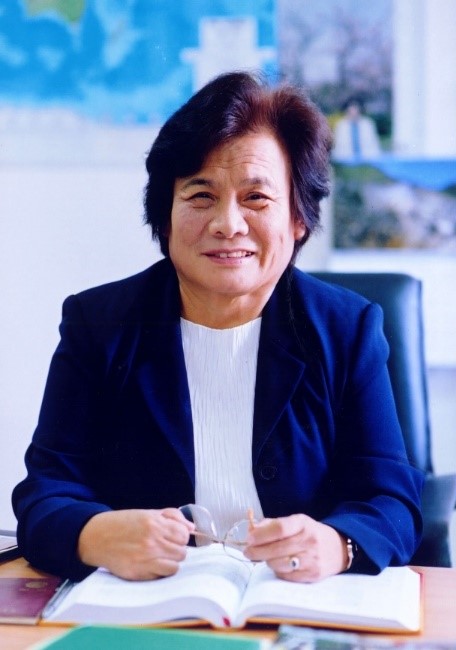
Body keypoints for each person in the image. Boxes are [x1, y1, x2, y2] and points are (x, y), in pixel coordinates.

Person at [12, 72, 423, 584]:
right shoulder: (99, 324)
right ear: (165, 216)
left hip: (298, 603)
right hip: (145, 608)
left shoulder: (346, 329)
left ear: (298, 218)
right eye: (201, 195)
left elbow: (393, 501)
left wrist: (337, 543)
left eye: (256, 198)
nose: (228, 223)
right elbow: (46, 492)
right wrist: (94, 534)